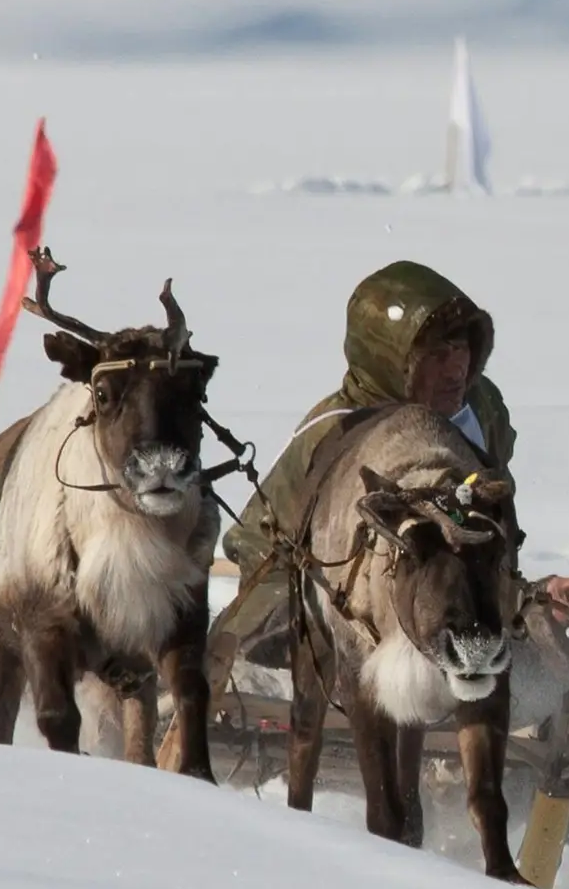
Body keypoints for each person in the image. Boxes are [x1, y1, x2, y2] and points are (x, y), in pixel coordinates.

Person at [215, 260, 530, 671]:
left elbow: (493, 521)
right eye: (436, 355)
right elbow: (257, 542)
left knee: (568, 664)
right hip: (345, 611)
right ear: (394, 361)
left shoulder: (481, 410)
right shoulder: (335, 432)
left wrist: (520, 592)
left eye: (462, 349)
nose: (457, 370)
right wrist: (298, 620)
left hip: (456, 602)